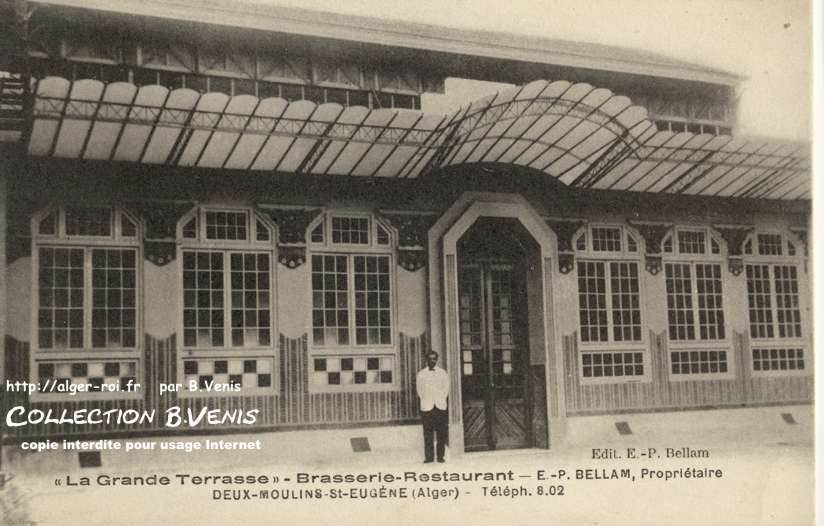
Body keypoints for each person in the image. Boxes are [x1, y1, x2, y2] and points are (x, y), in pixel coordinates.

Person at [416, 351, 450, 463]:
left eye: (434, 359)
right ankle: (429, 457)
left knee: (441, 433)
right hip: (427, 407)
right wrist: (426, 400)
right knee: (428, 433)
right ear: (426, 360)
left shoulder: (443, 373)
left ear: (437, 359)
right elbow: (419, 391)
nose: (432, 361)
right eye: (430, 359)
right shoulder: (421, 374)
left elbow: (446, 389)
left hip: (440, 407)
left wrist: (440, 399)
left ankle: (441, 457)